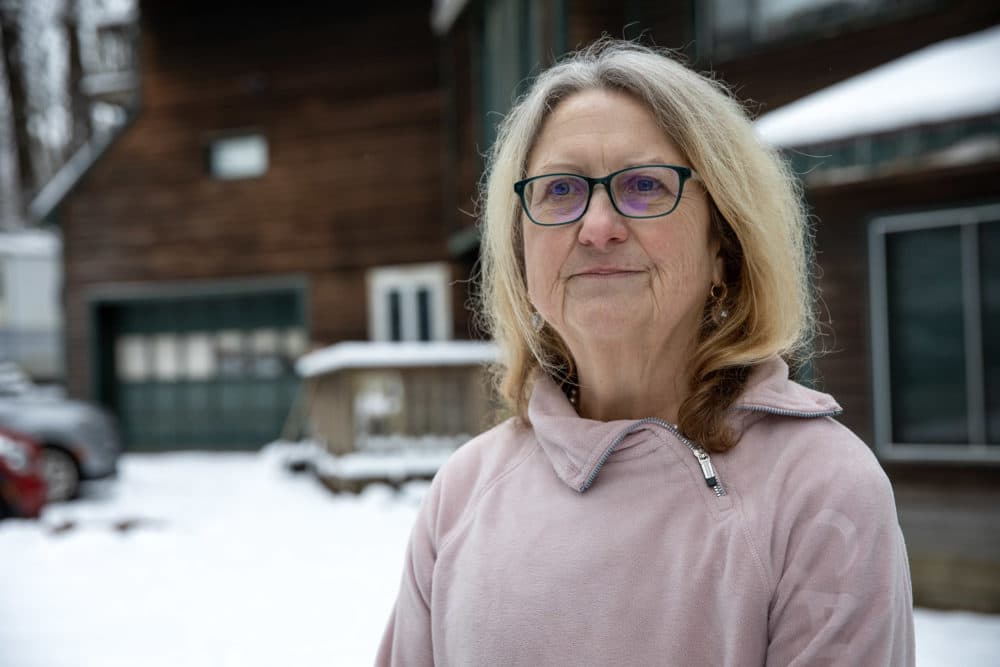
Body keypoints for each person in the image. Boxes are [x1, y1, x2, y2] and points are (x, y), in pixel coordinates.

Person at [376, 39, 914, 666]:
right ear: (524, 256)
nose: (598, 226)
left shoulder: (820, 489)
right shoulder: (464, 493)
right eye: (559, 191)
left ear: (725, 243)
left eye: (643, 185)